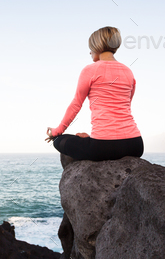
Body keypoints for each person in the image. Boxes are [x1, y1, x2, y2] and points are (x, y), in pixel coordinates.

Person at [45, 26, 144, 162]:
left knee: (59, 140)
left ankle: (74, 138)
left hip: (103, 146)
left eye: (91, 48)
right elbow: (126, 107)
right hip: (135, 144)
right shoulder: (128, 71)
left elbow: (76, 104)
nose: (90, 53)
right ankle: (93, 139)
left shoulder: (90, 70)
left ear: (97, 47)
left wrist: (56, 131)